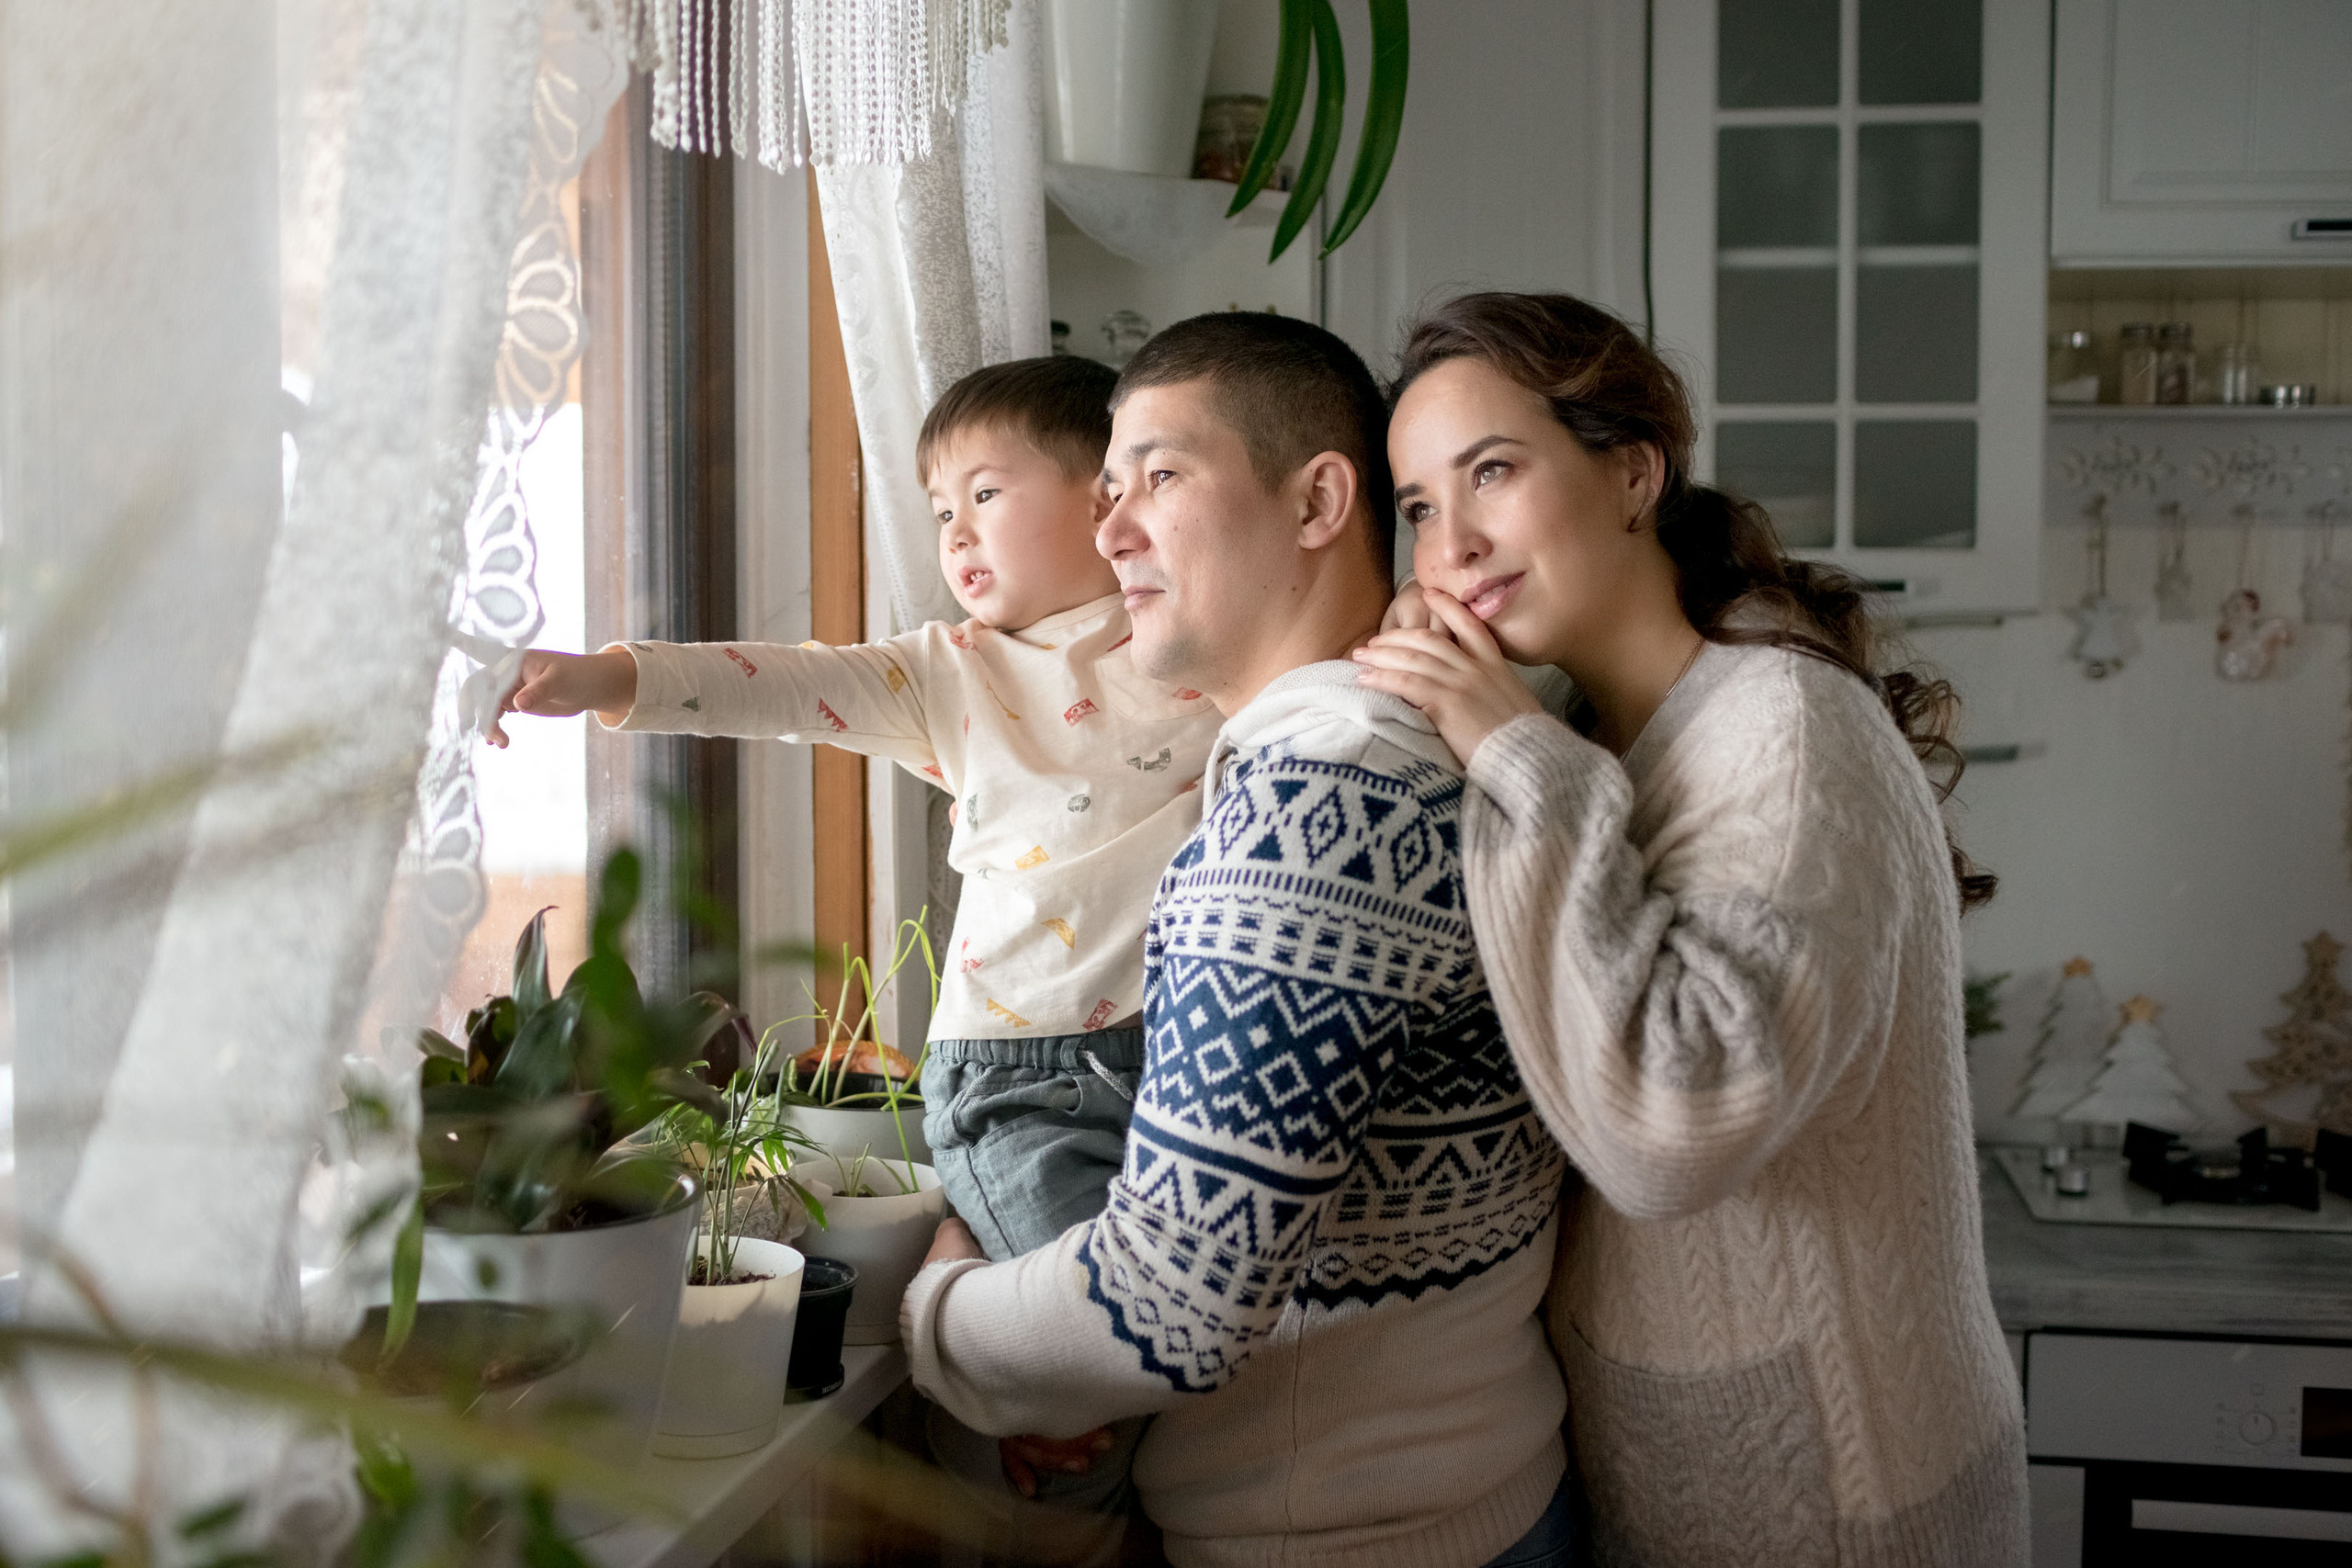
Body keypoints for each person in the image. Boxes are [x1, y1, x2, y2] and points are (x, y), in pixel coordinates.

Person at [1352, 291, 2029, 1566]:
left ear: (1632, 473)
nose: (1453, 543)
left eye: (1493, 469)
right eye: (1423, 507)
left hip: (1838, 1497)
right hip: (1689, 1484)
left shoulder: (1782, 725)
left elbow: (1671, 1127)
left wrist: (1508, 752)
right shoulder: (1600, 724)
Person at [487, 354, 1221, 1525]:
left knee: (1169, 1323)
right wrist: (605, 676)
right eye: (940, 510)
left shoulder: (1201, 652)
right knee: (1092, 1355)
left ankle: (1045, 1441)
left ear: (1106, 498)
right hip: (1015, 1080)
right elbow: (782, 684)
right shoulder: (956, 673)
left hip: (1166, 1067)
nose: (955, 533)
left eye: (985, 493)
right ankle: (1054, 1464)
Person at [904, 313, 1582, 1568]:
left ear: (1321, 498)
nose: (1111, 530)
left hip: (1347, 1534)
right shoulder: (1416, 731)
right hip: (1461, 1492)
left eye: (1159, 477)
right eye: (1106, 489)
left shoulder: (1316, 800)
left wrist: (934, 1307)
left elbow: (1168, 1303)